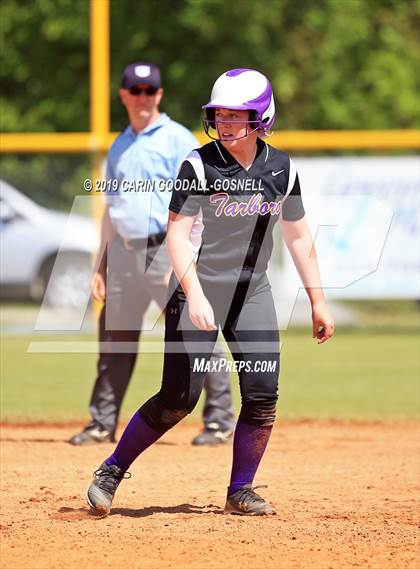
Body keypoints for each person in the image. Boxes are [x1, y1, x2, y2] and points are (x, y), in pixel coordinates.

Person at [85, 68, 334, 517]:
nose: (225, 123)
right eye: (220, 114)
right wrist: (195, 295)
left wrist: (317, 299)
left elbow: (298, 236)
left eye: (238, 115)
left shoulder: (282, 168)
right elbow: (176, 236)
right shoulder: (197, 164)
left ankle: (240, 490)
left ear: (263, 118)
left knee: (262, 392)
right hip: (197, 287)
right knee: (180, 397)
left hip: (251, 292)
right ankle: (112, 468)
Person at [69, 62, 234, 448]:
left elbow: (198, 201)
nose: (143, 97)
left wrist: (182, 259)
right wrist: (102, 264)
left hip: (166, 248)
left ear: (159, 95)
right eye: (135, 90)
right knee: (115, 342)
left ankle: (219, 421)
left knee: (196, 333)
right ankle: (101, 422)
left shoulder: (177, 140)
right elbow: (112, 208)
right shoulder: (120, 144)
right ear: (124, 94)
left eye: (150, 90)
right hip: (125, 253)